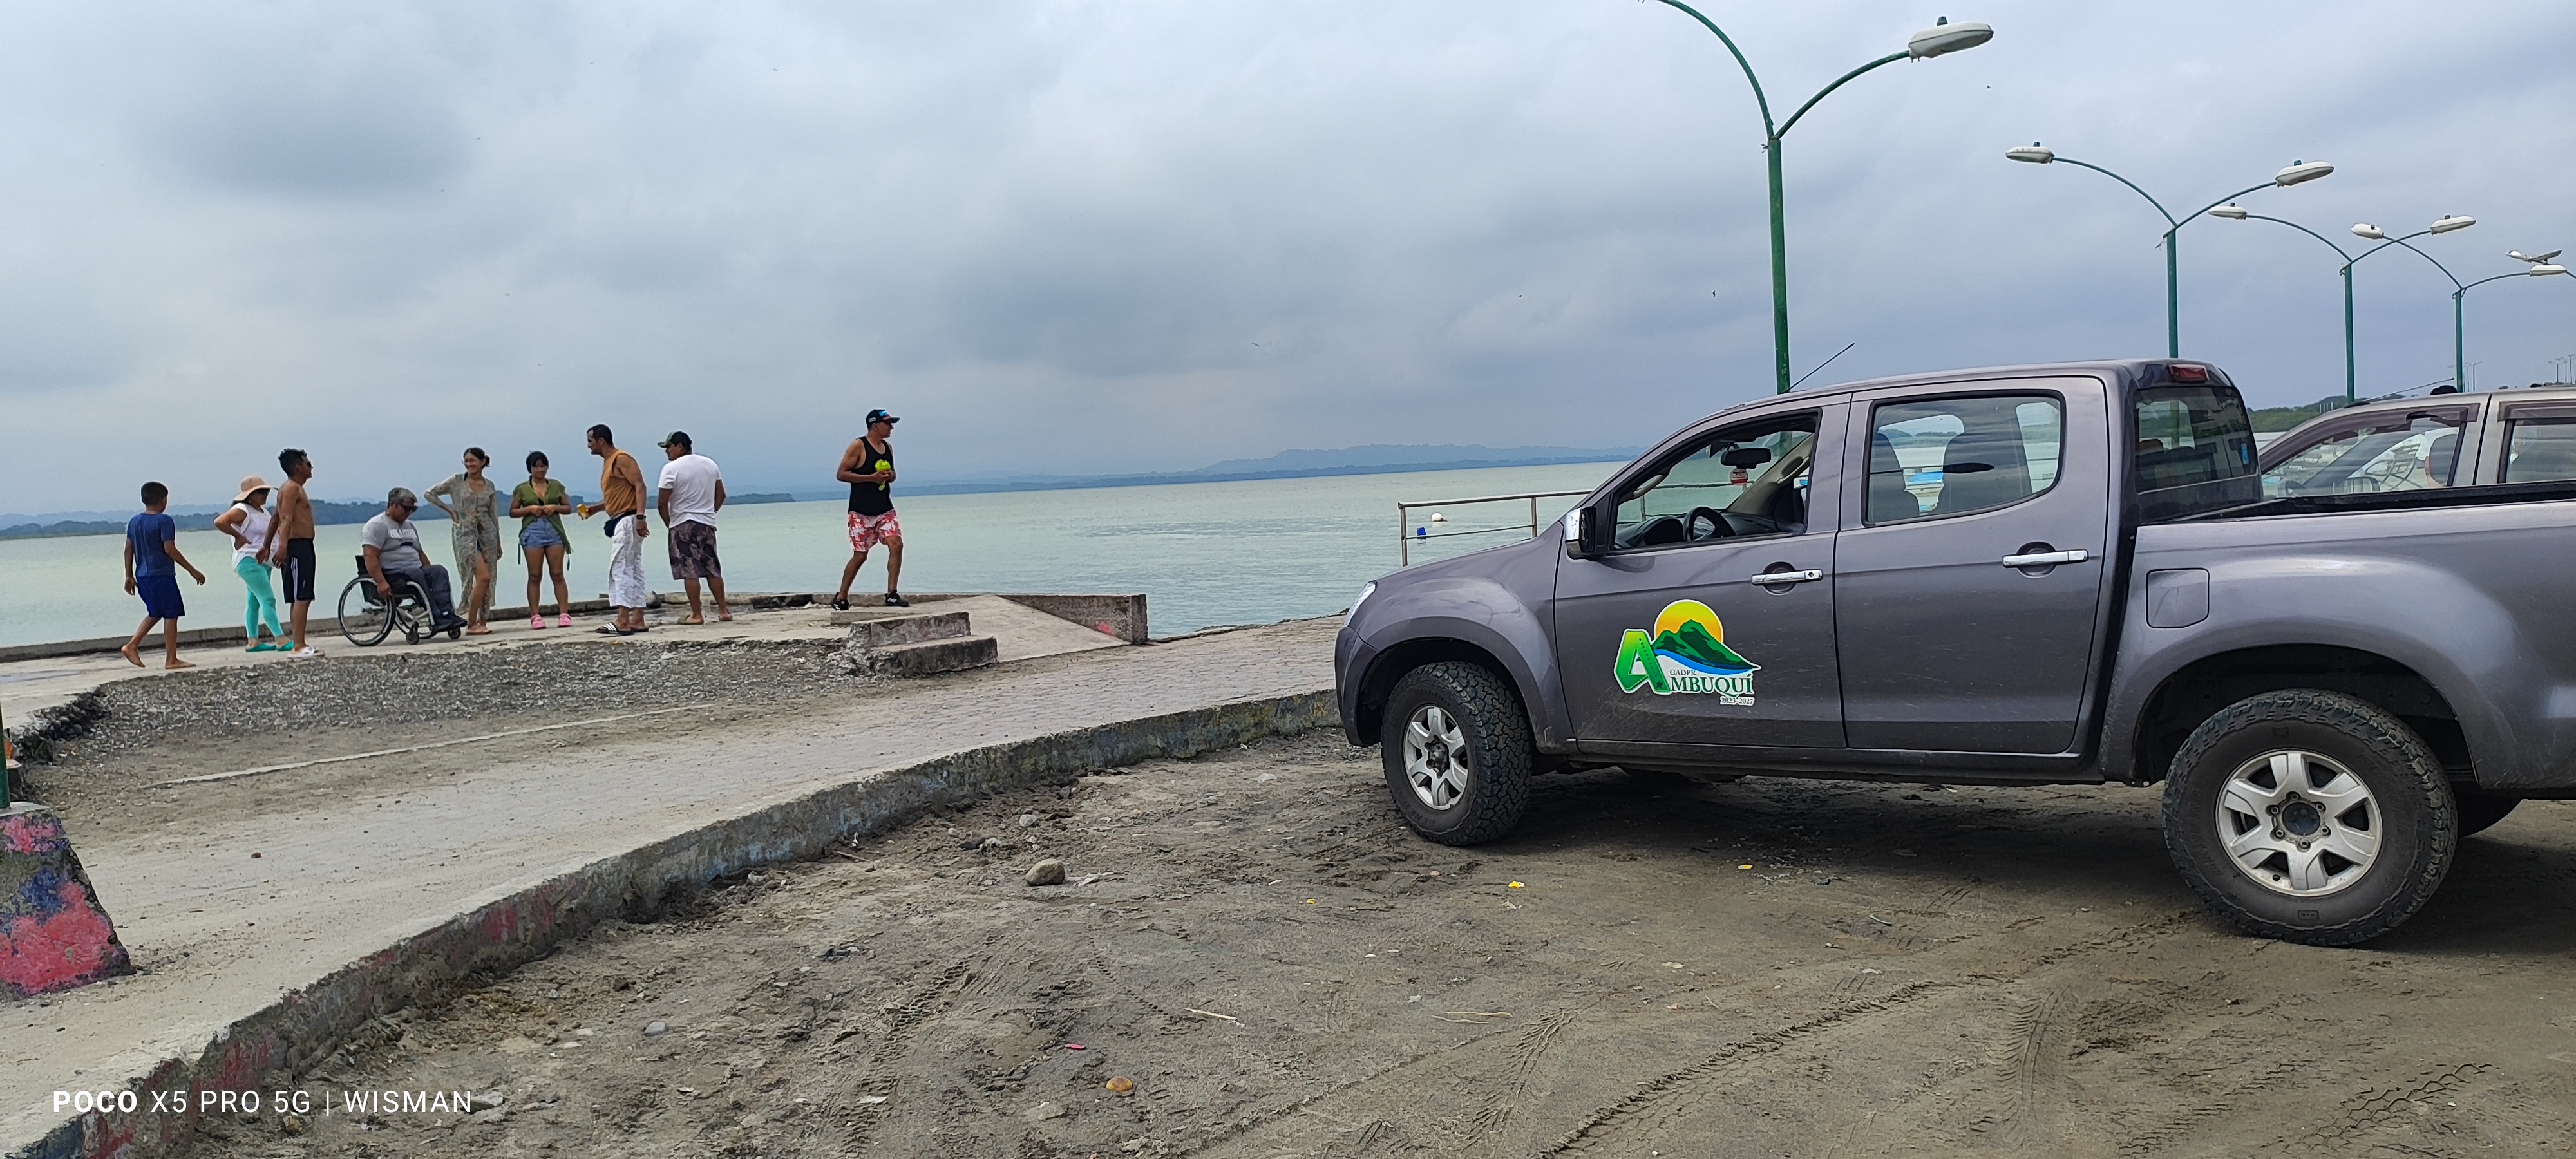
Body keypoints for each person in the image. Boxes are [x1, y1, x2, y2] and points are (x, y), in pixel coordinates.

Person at [121, 481, 207, 669]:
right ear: (163, 500)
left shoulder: (134, 521)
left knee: (156, 612)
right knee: (171, 614)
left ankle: (132, 645)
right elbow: (170, 549)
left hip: (142, 575)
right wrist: (193, 571)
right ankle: (171, 659)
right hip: (161, 575)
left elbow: (128, 549)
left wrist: (129, 575)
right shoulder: (164, 521)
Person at [361, 488, 466, 637]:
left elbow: (420, 553)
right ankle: (436, 616)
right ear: (393, 505)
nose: (409, 513)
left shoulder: (409, 526)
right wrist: (381, 582)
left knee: (439, 571)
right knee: (415, 573)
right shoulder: (377, 526)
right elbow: (370, 556)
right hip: (393, 572)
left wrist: (430, 572)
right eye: (406, 509)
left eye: (413, 509)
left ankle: (447, 613)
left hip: (414, 570)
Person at [577, 424, 651, 635]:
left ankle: (623, 619)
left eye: (590, 441)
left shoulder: (621, 459)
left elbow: (640, 486)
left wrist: (641, 517)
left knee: (620, 567)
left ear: (601, 441)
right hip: (623, 518)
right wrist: (596, 509)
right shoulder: (609, 462)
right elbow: (619, 495)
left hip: (628, 520)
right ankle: (638, 618)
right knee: (633, 567)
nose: (588, 445)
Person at [833, 408, 907, 610]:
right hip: (860, 511)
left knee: (897, 545)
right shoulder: (858, 446)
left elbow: (893, 474)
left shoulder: (888, 447)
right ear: (876, 426)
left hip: (885, 508)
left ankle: (892, 593)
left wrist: (890, 476)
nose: (891, 428)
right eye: (888, 424)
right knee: (860, 555)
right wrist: (870, 478)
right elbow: (841, 474)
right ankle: (841, 596)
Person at [655, 431, 730, 624]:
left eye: (669, 447)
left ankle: (697, 614)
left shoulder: (671, 469)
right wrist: (710, 512)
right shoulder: (710, 465)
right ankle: (724, 611)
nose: (667, 452)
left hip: (682, 523)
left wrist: (669, 523)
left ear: (680, 446)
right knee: (712, 568)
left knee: (689, 570)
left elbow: (662, 503)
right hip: (706, 523)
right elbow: (721, 495)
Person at [426, 448, 503, 636]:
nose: (469, 464)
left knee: (489, 579)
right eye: (466, 461)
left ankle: (482, 621)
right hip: (464, 534)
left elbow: (494, 515)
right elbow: (430, 494)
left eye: (473, 460)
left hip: (488, 534)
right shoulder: (456, 481)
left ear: (483, 462)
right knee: (482, 577)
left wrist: (498, 542)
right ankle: (471, 622)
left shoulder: (490, 485)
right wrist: (450, 510)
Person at [256, 448, 325, 657]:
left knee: (303, 596)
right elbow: (284, 520)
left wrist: (266, 545)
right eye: (308, 463)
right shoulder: (290, 488)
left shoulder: (295, 489)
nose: (311, 467)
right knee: (301, 596)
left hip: (303, 546)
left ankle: (300, 643)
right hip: (296, 547)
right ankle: (299, 646)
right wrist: (283, 547)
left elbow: (274, 518)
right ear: (298, 467)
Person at [211, 476, 286, 652]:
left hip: (263, 561)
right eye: (260, 492)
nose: (265, 495)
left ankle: (253, 641)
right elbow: (220, 522)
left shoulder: (262, 511)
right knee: (268, 598)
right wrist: (239, 536)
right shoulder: (242, 510)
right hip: (249, 559)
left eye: (266, 491)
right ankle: (280, 638)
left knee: (254, 601)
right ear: (249, 495)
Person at [511, 451, 576, 630]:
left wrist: (555, 507)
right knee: (535, 575)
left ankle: (564, 613)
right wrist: (530, 509)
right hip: (532, 532)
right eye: (536, 466)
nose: (540, 469)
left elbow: (568, 508)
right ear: (530, 468)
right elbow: (513, 512)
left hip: (554, 531)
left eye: (543, 466)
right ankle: (535, 615)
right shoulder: (522, 489)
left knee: (558, 573)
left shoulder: (556, 486)